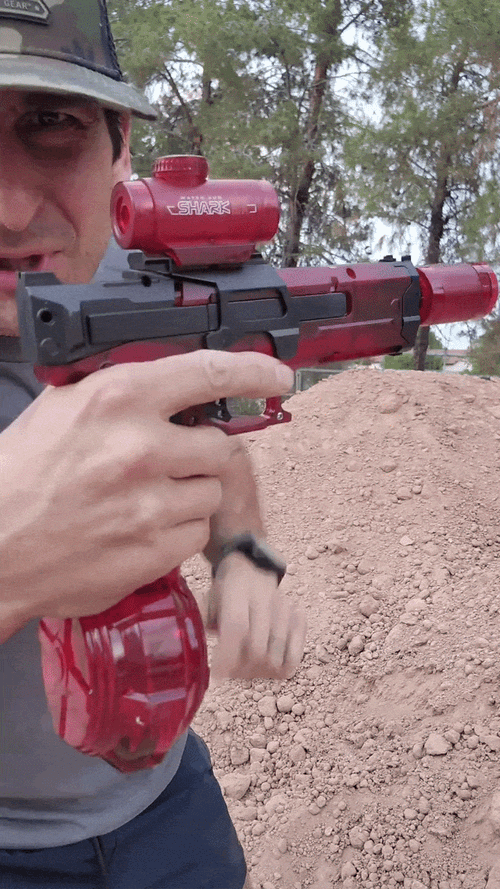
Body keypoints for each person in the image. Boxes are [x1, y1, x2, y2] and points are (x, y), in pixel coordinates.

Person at [0, 2, 307, 887]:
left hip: (167, 809)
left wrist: (245, 555)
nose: (10, 207)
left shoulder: (150, 290)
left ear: (120, 146)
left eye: (50, 124)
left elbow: (212, 446)